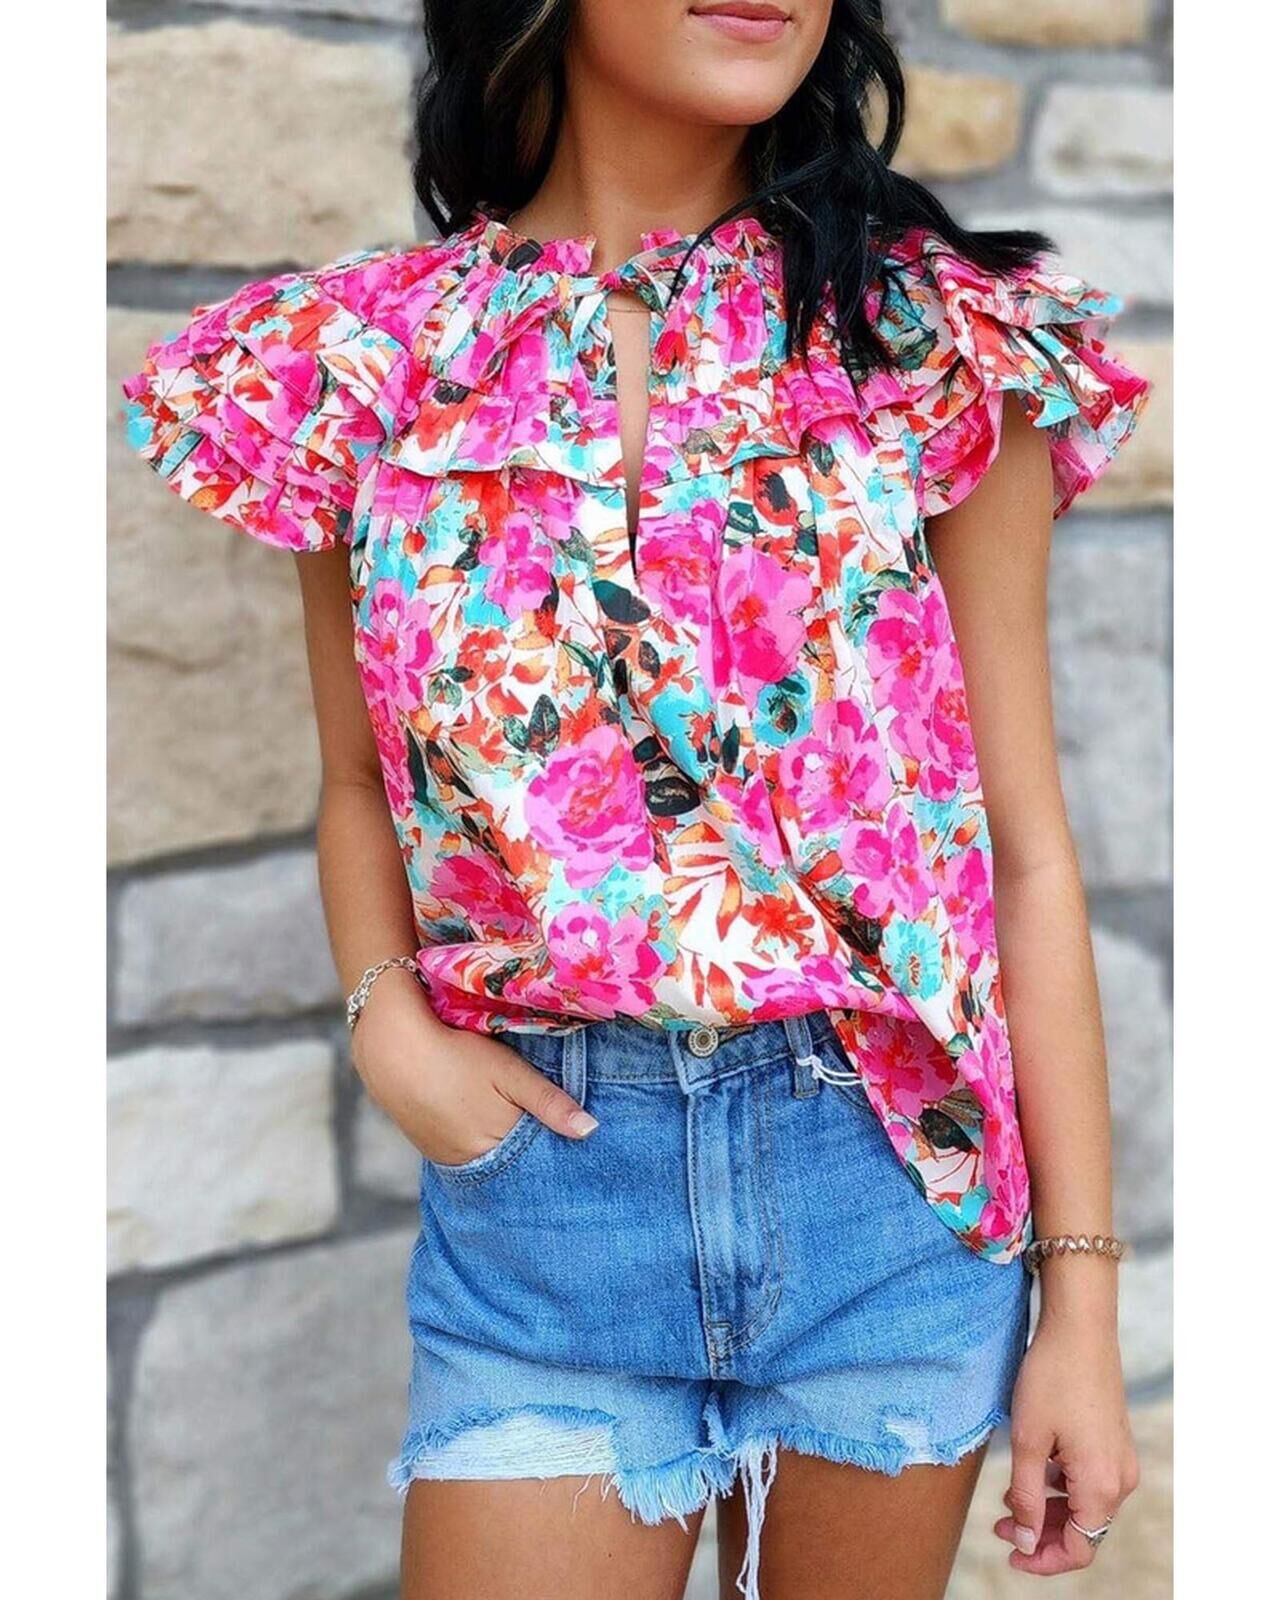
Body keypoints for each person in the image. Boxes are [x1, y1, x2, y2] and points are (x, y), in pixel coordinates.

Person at [119, 3, 1154, 1596]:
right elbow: (354, 781)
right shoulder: (361, 360)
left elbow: (1020, 849)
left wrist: (1083, 1306)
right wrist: (387, 1019)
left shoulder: (931, 346)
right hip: (548, 1211)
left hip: (886, 1195)